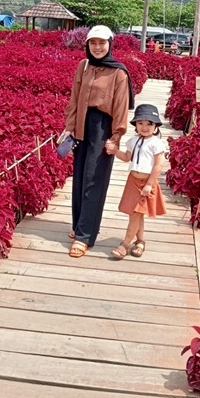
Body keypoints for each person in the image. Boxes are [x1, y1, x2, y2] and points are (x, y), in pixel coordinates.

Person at [63, 25, 134, 258]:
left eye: (101, 43)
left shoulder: (119, 73)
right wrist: (70, 127)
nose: (97, 47)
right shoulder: (83, 66)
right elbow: (74, 98)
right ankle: (79, 225)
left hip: (102, 128)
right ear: (87, 45)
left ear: (110, 44)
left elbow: (121, 108)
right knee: (80, 178)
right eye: (93, 43)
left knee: (95, 180)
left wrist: (116, 137)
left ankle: (85, 236)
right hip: (82, 125)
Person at [105, 103, 166, 259]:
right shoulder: (132, 141)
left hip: (147, 182)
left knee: (135, 214)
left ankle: (125, 244)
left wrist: (149, 185)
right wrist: (114, 151)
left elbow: (158, 166)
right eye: (140, 123)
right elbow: (127, 158)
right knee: (137, 214)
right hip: (133, 180)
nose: (144, 127)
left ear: (155, 125)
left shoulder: (156, 143)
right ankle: (140, 241)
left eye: (149, 123)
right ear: (135, 125)